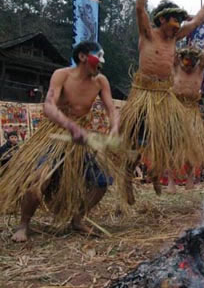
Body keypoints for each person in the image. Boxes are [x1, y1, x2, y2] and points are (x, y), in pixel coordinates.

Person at [0, 41, 121, 242]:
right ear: (83, 57)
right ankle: (24, 225)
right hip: (56, 132)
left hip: (82, 136)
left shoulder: (101, 81)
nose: (100, 64)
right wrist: (70, 126)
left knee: (102, 181)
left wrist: (115, 129)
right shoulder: (61, 75)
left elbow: (111, 110)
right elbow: (49, 106)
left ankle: (78, 219)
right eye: (97, 58)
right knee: (39, 180)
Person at [119, 0, 204, 201]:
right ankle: (127, 179)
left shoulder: (175, 38)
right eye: (173, 22)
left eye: (178, 23)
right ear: (162, 20)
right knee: (134, 139)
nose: (177, 27)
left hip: (165, 96)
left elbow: (195, 22)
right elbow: (140, 8)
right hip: (143, 94)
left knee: (167, 138)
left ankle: (155, 172)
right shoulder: (147, 34)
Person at [169, 19, 204, 192]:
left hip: (192, 111)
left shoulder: (199, 69)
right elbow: (172, 45)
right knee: (172, 145)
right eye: (185, 60)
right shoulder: (176, 67)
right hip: (176, 110)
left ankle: (190, 179)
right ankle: (171, 181)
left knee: (191, 146)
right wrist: (180, 26)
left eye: (191, 61)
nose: (188, 64)